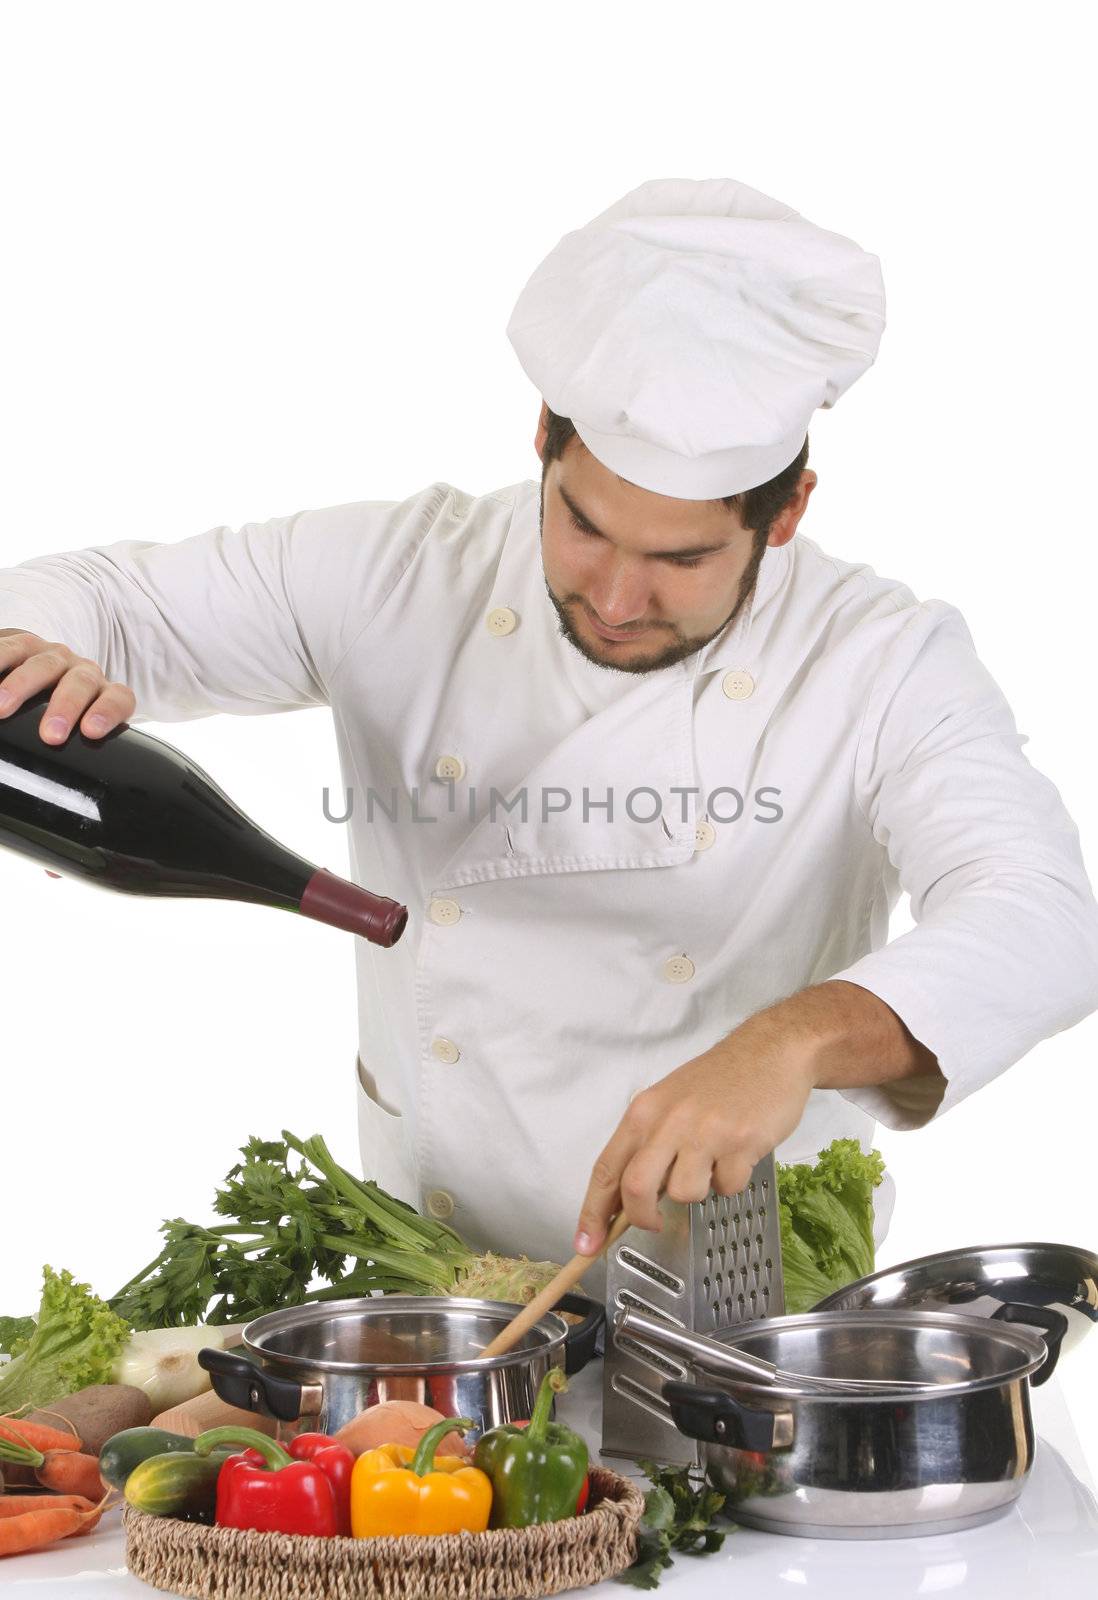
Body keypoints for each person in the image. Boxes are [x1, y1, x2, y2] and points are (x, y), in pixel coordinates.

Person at [1, 177, 1096, 1301]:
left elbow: (1044, 913)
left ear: (789, 510)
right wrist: (44, 645)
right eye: (582, 524)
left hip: (753, 1325)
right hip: (445, 1313)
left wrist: (793, 1040)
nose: (618, 596)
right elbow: (95, 596)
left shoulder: (881, 659)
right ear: (542, 443)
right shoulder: (399, 569)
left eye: (683, 560)